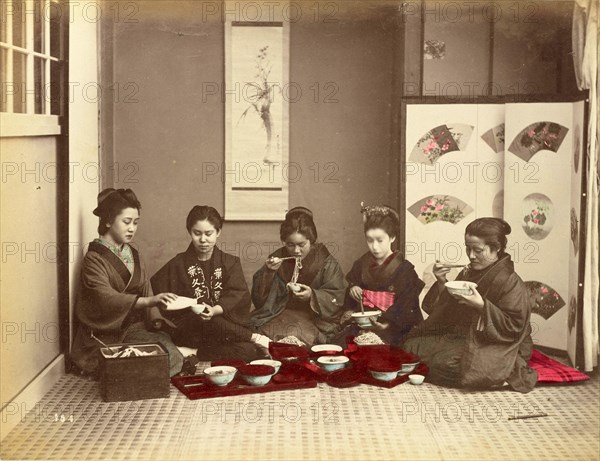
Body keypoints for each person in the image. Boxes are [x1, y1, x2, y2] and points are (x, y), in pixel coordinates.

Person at [402, 217, 538, 393]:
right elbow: (446, 311)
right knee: (411, 346)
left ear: (496, 248)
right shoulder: (469, 271)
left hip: (496, 342)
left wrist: (482, 306)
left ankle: (508, 369)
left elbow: (514, 326)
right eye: (468, 248)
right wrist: (442, 281)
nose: (471, 255)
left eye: (478, 250)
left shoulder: (510, 281)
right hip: (464, 335)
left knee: (447, 364)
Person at [71, 188, 184, 377]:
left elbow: (146, 289)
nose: (132, 228)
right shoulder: (94, 258)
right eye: (126, 222)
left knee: (168, 352)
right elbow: (105, 298)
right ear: (108, 220)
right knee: (160, 358)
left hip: (132, 327)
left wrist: (155, 320)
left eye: (136, 223)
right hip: (104, 333)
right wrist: (149, 302)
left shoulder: (133, 253)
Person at [151, 206, 268, 362]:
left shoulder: (230, 262)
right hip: (193, 329)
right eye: (197, 233)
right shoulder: (177, 264)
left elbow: (238, 295)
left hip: (224, 329)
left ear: (218, 232)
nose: (203, 240)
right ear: (189, 232)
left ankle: (193, 352)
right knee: (203, 316)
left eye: (209, 233)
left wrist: (215, 310)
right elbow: (157, 292)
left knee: (248, 352)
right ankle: (254, 337)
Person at [250, 207, 346, 346]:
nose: (296, 251)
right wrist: (269, 273)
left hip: (314, 320)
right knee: (252, 329)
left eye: (302, 245)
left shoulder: (327, 262)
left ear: (311, 241)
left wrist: (312, 296)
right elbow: (260, 300)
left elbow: (336, 296)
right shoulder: (278, 258)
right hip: (279, 313)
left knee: (292, 336)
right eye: (290, 245)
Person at [336, 204, 424, 345]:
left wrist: (387, 325)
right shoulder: (361, 264)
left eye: (380, 240)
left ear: (392, 237)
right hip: (363, 324)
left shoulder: (405, 270)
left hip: (394, 326)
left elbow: (408, 305)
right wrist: (353, 288)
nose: (375, 247)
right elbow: (351, 284)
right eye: (369, 240)